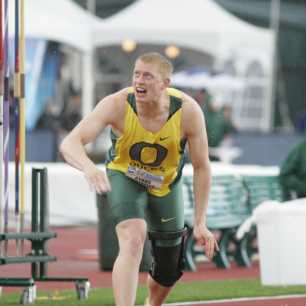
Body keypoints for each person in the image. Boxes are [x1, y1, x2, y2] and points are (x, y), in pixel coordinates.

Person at [60, 52, 218, 306]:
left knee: (168, 270)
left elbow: (202, 167)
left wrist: (200, 222)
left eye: (147, 76)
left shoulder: (188, 112)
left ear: (165, 83)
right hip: (125, 175)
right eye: (136, 74)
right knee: (134, 236)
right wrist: (89, 168)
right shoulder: (117, 104)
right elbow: (70, 143)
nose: (139, 81)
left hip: (165, 185)